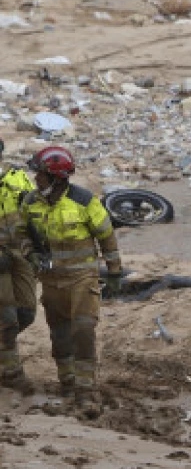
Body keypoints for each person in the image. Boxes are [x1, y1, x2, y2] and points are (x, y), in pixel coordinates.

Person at [20, 146, 122, 408]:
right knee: (60, 334)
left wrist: (114, 271)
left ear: (55, 178)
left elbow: (106, 236)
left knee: (84, 331)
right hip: (51, 281)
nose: (35, 179)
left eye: (40, 175)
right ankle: (67, 384)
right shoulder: (31, 203)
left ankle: (85, 390)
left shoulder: (84, 201)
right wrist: (30, 254)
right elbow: (23, 235)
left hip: (82, 281)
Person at [0, 139, 37, 394]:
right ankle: (11, 374)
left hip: (20, 253)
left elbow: (34, 213)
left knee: (27, 312)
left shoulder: (18, 179)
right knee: (7, 318)